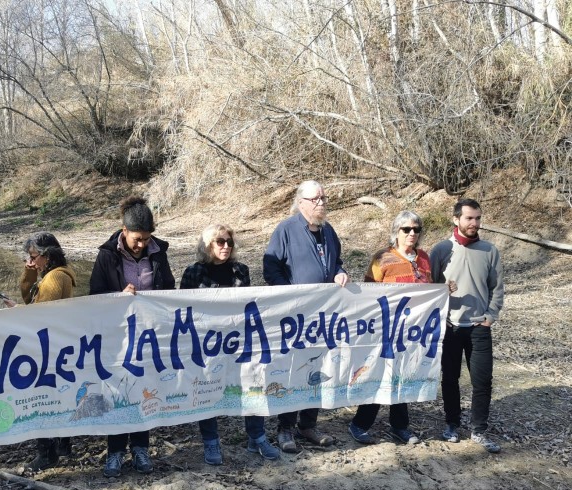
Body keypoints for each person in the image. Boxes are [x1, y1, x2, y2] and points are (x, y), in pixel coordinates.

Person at [180, 224, 281, 464]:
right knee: (206, 388)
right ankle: (211, 442)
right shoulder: (192, 273)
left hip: (239, 341)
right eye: (220, 242)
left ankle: (256, 437)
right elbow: (182, 309)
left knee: (252, 383)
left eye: (229, 242)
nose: (226, 246)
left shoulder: (240, 270)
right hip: (206, 344)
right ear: (208, 246)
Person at [90, 196, 175, 476]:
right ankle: (115, 451)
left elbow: (169, 288)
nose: (142, 245)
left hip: (149, 335)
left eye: (146, 239)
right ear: (123, 231)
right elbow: (94, 295)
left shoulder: (158, 252)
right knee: (118, 390)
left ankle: (140, 448)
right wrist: (118, 297)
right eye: (137, 239)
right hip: (117, 338)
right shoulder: (107, 255)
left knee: (143, 389)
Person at [263, 180, 349, 452]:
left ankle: (308, 424)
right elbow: (270, 266)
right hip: (295, 319)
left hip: (324, 319)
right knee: (294, 371)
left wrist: (339, 272)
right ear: (301, 202)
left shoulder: (329, 231)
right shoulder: (286, 230)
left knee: (319, 370)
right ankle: (285, 427)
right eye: (316, 199)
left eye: (324, 198)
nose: (321, 203)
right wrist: (289, 295)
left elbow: (337, 262)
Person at [348, 211, 436, 445]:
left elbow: (430, 292)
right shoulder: (382, 258)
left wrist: (446, 289)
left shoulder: (425, 259)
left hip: (413, 332)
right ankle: (359, 424)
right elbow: (368, 292)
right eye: (406, 229)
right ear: (396, 232)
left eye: (416, 229)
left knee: (403, 375)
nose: (411, 234)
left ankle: (400, 426)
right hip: (385, 329)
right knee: (378, 374)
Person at [430, 198, 505, 453]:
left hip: (479, 327)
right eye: (469, 218)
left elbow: (497, 287)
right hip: (450, 327)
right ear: (456, 219)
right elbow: (428, 289)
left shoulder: (489, 250)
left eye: (478, 218)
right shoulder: (441, 250)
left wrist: (491, 316)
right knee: (450, 378)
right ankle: (452, 424)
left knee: (482, 381)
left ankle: (479, 430)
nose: (474, 223)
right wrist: (442, 290)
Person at [11, 232, 77, 470]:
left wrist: (16, 310)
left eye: (34, 256)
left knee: (44, 398)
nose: (32, 260)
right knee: (59, 393)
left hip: (49, 347)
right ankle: (63, 445)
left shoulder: (55, 278)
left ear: (47, 255)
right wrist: (29, 272)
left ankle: (47, 453)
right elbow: (30, 298)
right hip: (56, 344)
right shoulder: (50, 276)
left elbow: (39, 314)